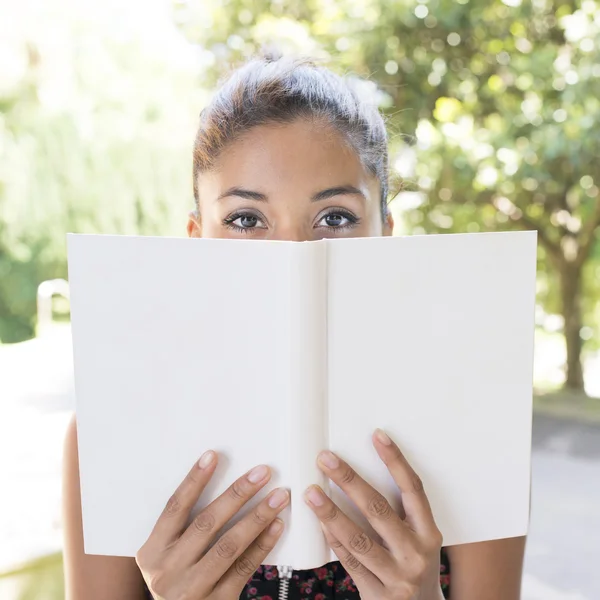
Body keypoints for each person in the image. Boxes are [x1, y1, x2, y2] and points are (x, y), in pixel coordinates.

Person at [62, 54, 526, 600]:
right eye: (245, 219)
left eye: (335, 218)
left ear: (386, 235)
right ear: (196, 239)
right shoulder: (111, 430)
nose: (293, 255)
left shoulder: (476, 423)